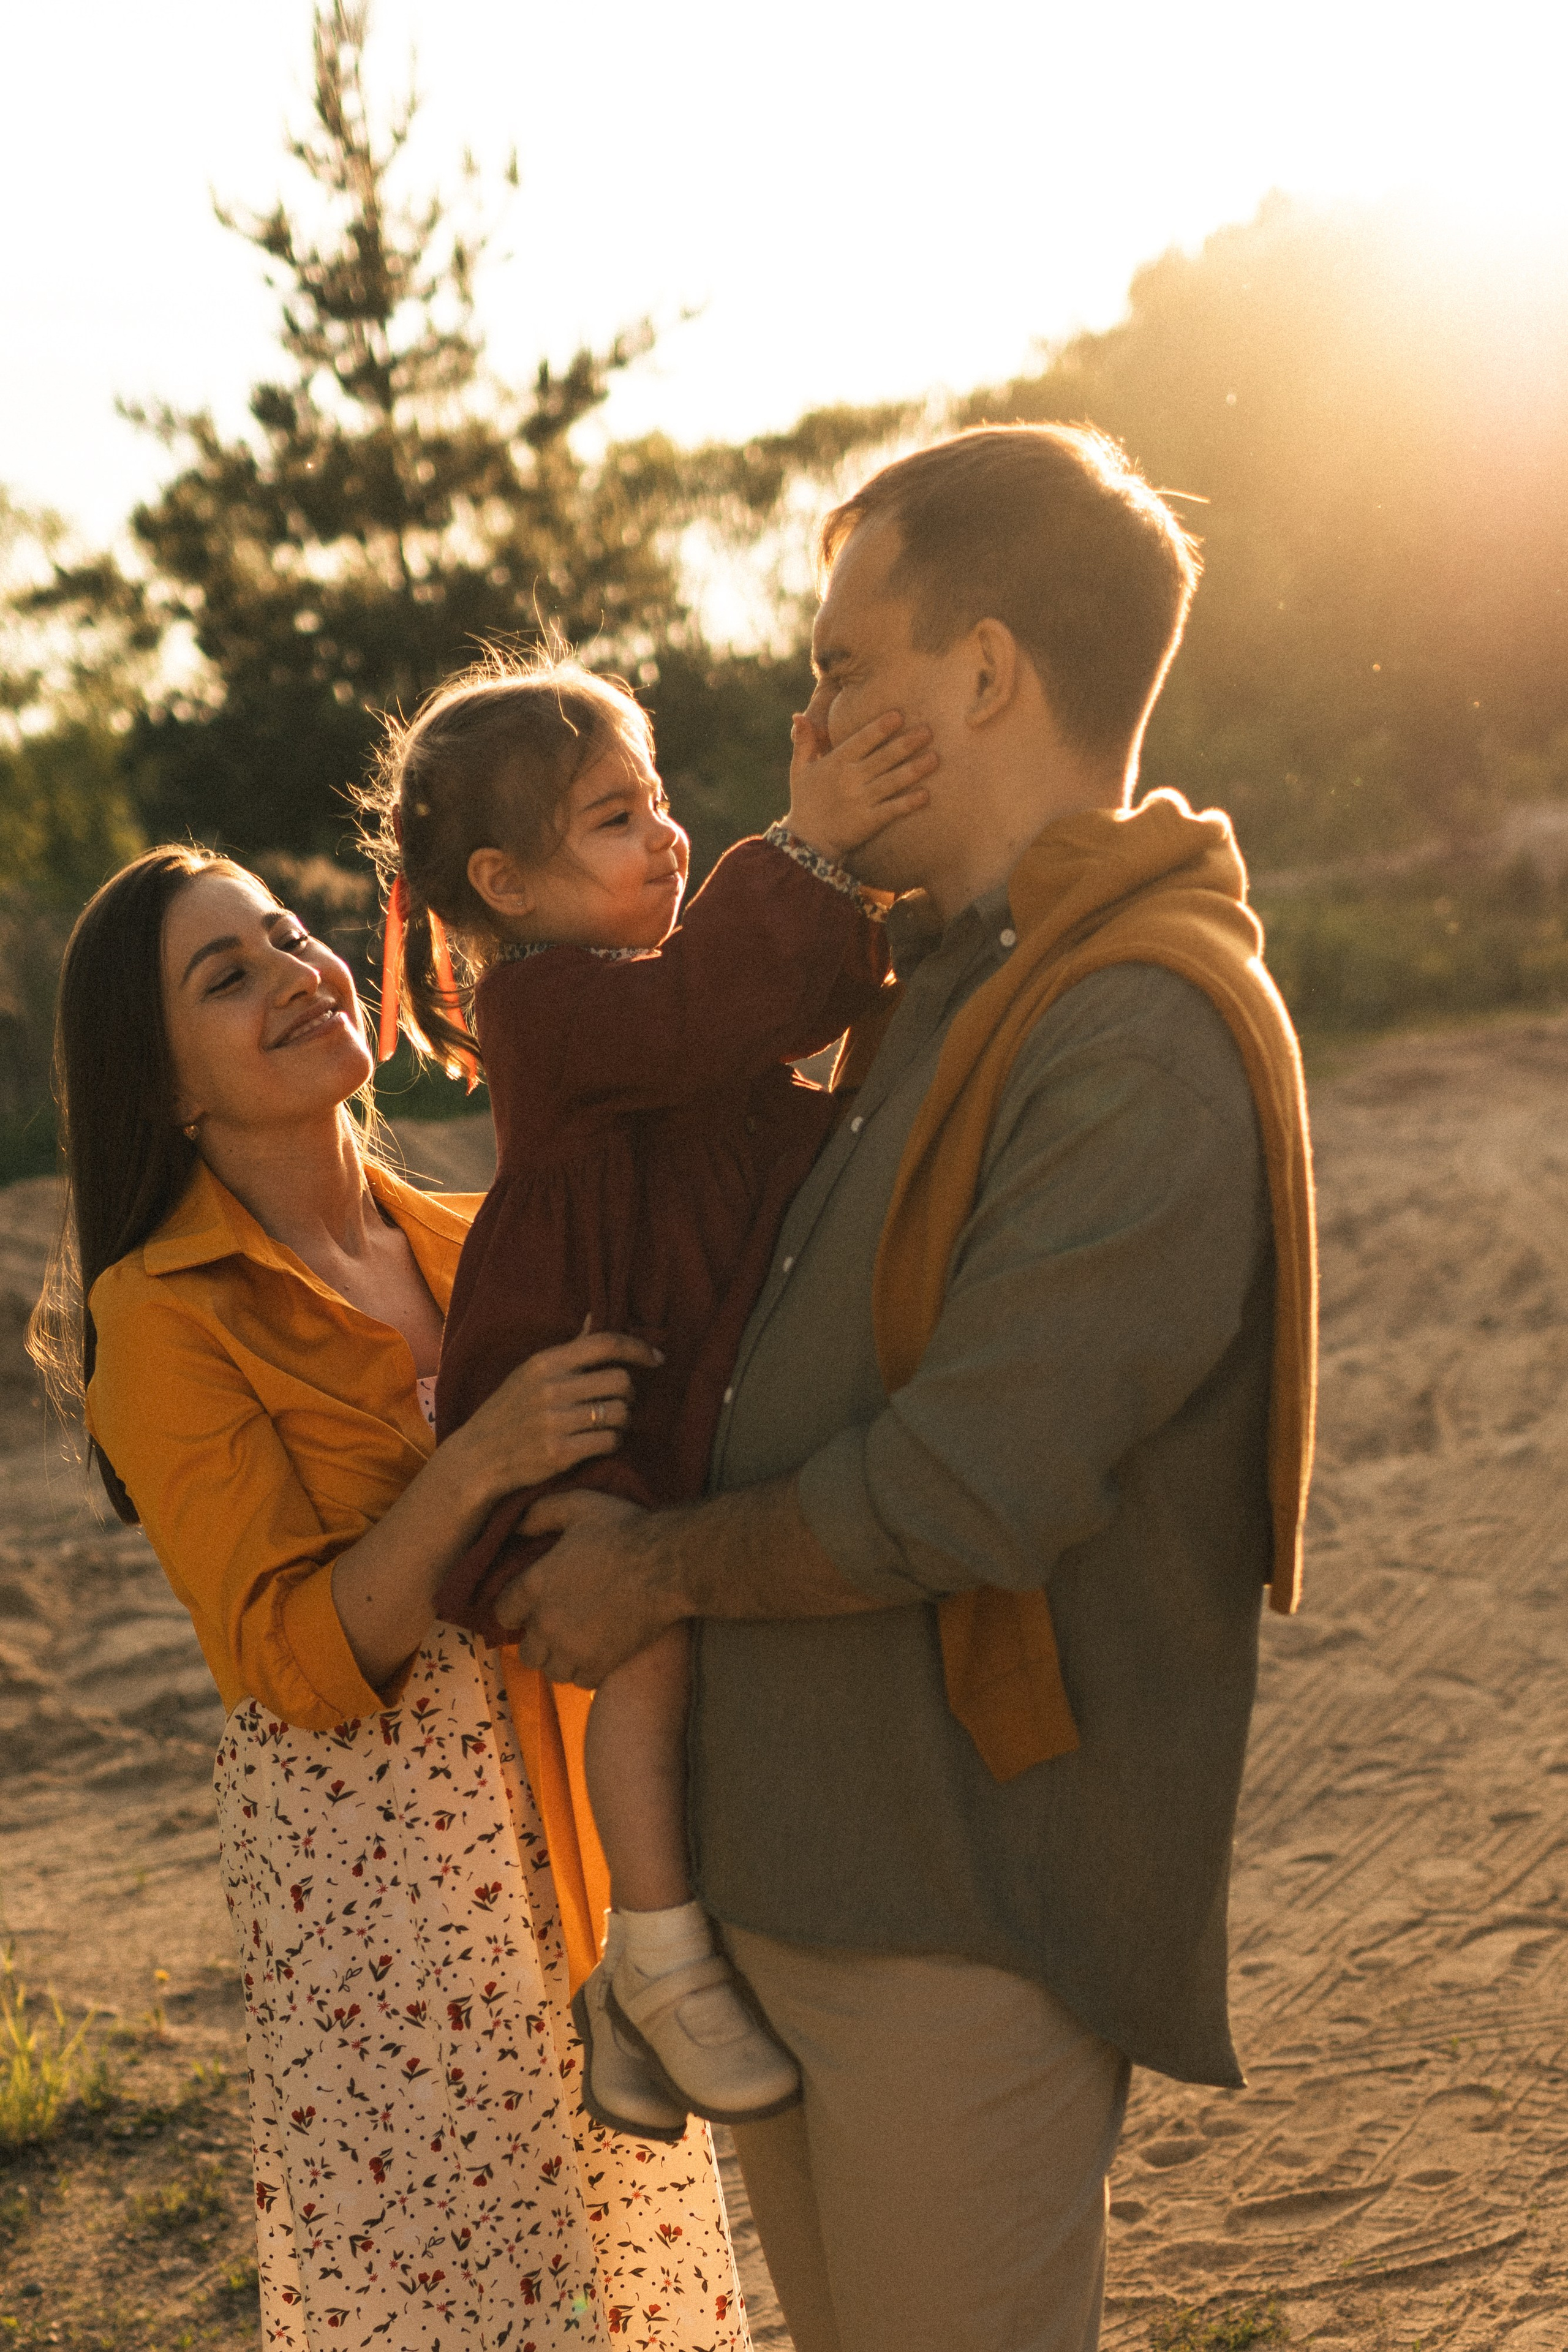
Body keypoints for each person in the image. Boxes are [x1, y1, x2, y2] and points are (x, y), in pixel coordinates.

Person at [491, 424, 1318, 2352]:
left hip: (951, 1916)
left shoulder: (1133, 1025)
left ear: (988, 675)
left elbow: (967, 1491)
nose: (814, 710)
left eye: (845, 664)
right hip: (800, 1877)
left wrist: (657, 1576)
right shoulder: (943, 978)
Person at [28, 845, 752, 2351]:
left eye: (291, 934)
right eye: (226, 975)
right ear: (160, 1086)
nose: (298, 971)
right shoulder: (157, 1314)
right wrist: (479, 1457)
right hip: (379, 1870)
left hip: (561, 1800)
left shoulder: (461, 1233)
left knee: (621, 2271)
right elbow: (286, 1656)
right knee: (459, 2297)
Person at [363, 657, 935, 2135]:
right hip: (589, 1385)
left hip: (678, 1363)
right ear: (508, 881)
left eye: (662, 800)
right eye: (618, 819)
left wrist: (868, 903)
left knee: (698, 1637)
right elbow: (711, 1015)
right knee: (653, 1634)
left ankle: (633, 1983)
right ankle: (659, 1952)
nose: (668, 835)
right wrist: (803, 853)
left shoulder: (647, 998)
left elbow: (774, 1019)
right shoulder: (550, 1008)